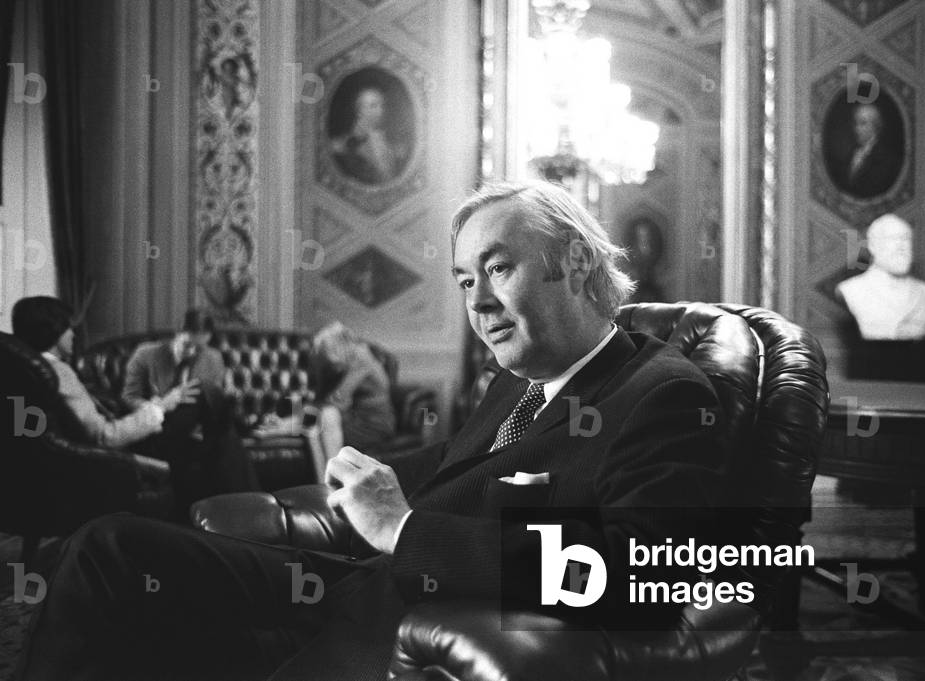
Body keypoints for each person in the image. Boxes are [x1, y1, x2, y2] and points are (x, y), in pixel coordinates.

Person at [17, 181, 725, 681]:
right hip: (353, 589)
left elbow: (635, 572)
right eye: (461, 280)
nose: (475, 302)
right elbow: (454, 463)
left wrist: (404, 531)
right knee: (112, 548)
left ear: (572, 261)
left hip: (412, 632)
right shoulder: (518, 377)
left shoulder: (660, 394)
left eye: (497, 267)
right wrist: (356, 475)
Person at [122, 308, 258, 506]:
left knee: (225, 440)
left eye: (199, 348)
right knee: (203, 389)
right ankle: (255, 505)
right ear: (177, 334)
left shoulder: (213, 358)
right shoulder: (146, 354)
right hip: (159, 427)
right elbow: (128, 398)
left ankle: (246, 508)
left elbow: (213, 412)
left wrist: (228, 395)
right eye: (187, 345)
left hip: (197, 434)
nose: (193, 352)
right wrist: (161, 404)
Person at [10, 296, 174, 448]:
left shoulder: (20, 366)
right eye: (68, 328)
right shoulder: (58, 372)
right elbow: (104, 436)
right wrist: (159, 409)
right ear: (55, 332)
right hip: (100, 463)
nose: (73, 335)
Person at [254, 321, 397, 481]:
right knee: (314, 425)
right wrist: (291, 419)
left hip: (373, 424)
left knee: (328, 415)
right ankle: (323, 485)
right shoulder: (345, 361)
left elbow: (338, 402)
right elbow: (322, 400)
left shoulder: (361, 358)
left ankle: (334, 480)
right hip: (353, 418)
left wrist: (292, 422)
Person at [836, 213, 925, 339]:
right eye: (892, 239)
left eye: (906, 239)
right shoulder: (851, 290)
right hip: (873, 355)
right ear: (873, 246)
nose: (901, 247)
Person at [331, 87, 406, 184]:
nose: (381, 111)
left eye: (382, 106)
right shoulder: (341, 146)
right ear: (359, 111)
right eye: (373, 106)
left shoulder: (391, 143)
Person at [834, 103, 901, 199]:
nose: (857, 129)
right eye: (855, 123)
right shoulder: (850, 155)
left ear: (875, 126)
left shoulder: (888, 160)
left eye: (863, 123)